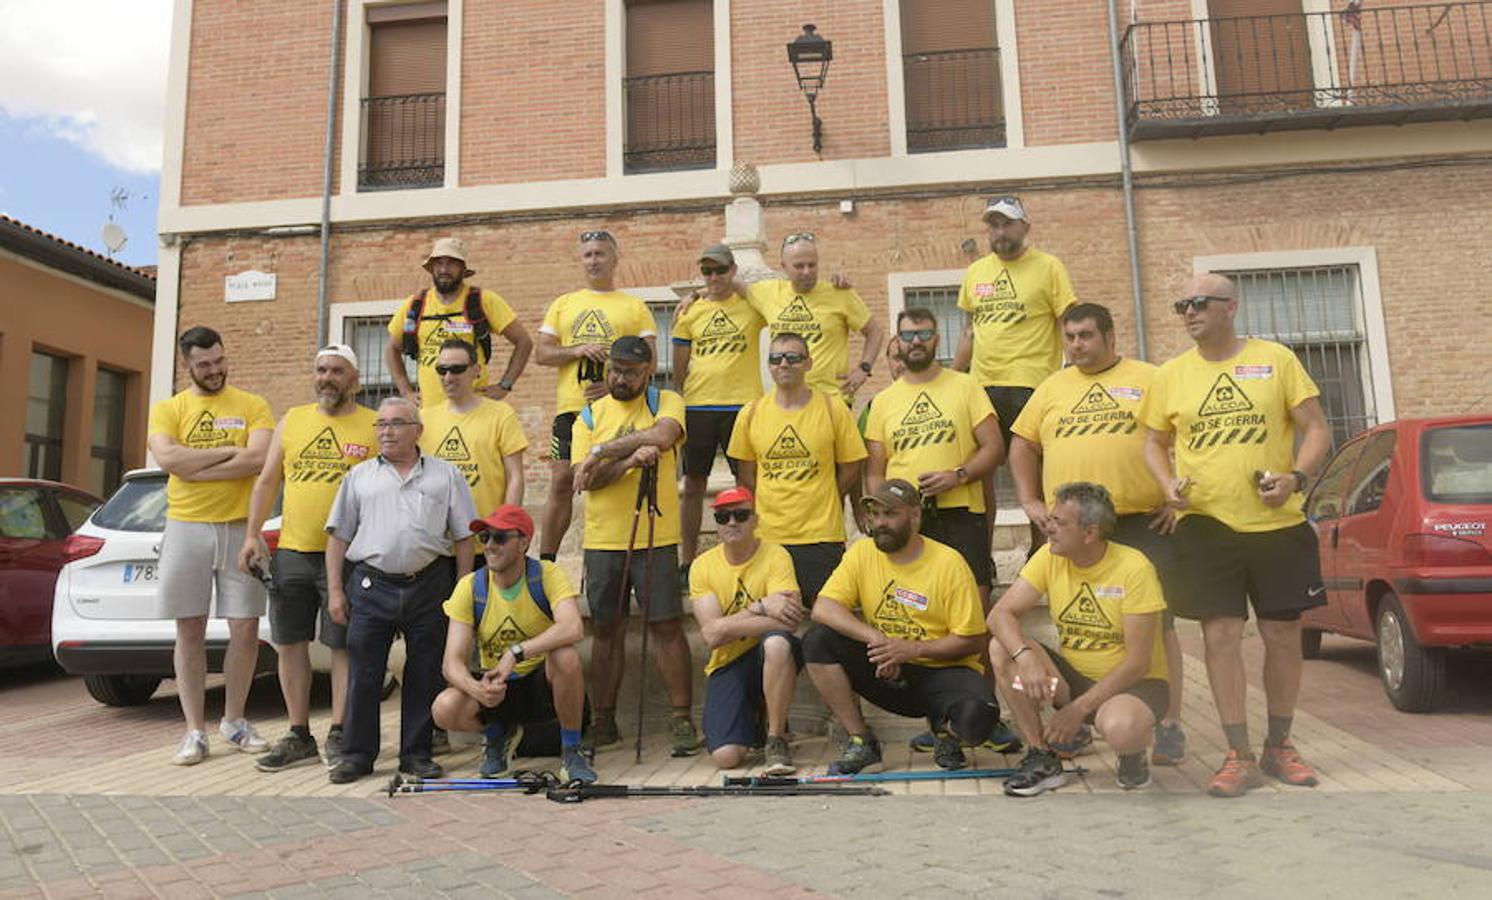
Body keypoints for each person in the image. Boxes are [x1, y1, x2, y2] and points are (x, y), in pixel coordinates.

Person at [1141, 272, 1332, 798]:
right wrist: (1166, 484)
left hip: (1277, 524)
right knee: (1219, 636)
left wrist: (1295, 476)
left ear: (1231, 307)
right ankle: (1237, 754)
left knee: (1281, 635)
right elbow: (1154, 444)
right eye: (1182, 304)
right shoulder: (1171, 375)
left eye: (1200, 303)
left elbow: (1316, 427)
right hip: (1206, 524)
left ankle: (1280, 745)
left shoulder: (1275, 360)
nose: (1188, 312)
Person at [1008, 302, 1189, 765]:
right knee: (1075, 615)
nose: (1076, 345)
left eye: (1086, 335)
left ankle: (1168, 722)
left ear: (1110, 336)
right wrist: (1029, 503)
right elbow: (1023, 445)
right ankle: (1083, 716)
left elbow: (1182, 436)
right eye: (1069, 337)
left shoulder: (1150, 378)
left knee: (1160, 625)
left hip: (1140, 520)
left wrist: (1174, 497)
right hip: (1072, 528)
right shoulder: (1052, 387)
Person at [324, 397, 478, 783]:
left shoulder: (446, 475)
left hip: (429, 584)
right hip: (370, 584)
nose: (386, 431)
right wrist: (335, 591)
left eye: (395, 423)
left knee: (425, 671)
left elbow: (463, 537)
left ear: (417, 430)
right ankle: (357, 755)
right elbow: (338, 538)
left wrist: (461, 589)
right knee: (364, 672)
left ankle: (417, 753)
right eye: (380, 424)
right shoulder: (358, 477)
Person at [238, 344, 376, 772]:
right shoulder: (292, 420)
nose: (327, 377)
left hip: (351, 556)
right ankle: (299, 734)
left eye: (337, 371)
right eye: (321, 370)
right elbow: (265, 482)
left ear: (354, 380)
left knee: (343, 647)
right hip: (294, 551)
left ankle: (341, 732)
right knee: (289, 643)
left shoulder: (374, 426)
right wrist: (252, 534)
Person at [805, 479, 1002, 774]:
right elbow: (824, 608)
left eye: (890, 514)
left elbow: (972, 640)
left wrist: (911, 650)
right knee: (817, 640)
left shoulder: (949, 563)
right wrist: (879, 642)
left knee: (977, 723)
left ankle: (945, 730)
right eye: (875, 514)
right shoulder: (862, 553)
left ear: (915, 516)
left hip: (944, 670)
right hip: (889, 669)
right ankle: (861, 740)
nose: (880, 523)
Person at [988, 483, 1169, 796]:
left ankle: (1133, 757)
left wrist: (1078, 710)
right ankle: (1042, 757)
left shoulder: (1134, 568)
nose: (1049, 527)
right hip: (1071, 681)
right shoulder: (1049, 555)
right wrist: (1026, 657)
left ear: (1089, 533)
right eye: (1051, 518)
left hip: (1133, 685)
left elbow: (1138, 664)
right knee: (1001, 648)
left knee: (1121, 729)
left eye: (1060, 522)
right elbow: (999, 616)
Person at [147, 326, 275, 765]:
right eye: (205, 365)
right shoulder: (168, 409)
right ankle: (194, 731)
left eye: (220, 361)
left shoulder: (252, 405)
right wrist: (227, 453)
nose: (215, 370)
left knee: (245, 628)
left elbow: (257, 457)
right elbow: (168, 461)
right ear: (188, 366)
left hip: (242, 527)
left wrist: (194, 462)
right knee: (190, 628)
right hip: (186, 526)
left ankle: (235, 721)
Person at [570, 337, 697, 755]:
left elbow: (664, 435)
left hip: (657, 536)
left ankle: (681, 719)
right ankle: (604, 720)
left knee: (666, 626)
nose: (619, 378)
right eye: (614, 370)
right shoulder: (588, 415)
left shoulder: (666, 400)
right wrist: (627, 461)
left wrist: (604, 450)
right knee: (606, 630)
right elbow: (585, 479)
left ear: (647, 372)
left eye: (629, 371)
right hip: (604, 539)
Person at [431, 505, 596, 785]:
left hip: (541, 684)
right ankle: (498, 737)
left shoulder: (546, 574)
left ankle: (571, 751)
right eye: (484, 538)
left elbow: (572, 627)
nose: (490, 546)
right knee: (443, 708)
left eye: (500, 537)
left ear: (524, 542)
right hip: (498, 685)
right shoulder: (470, 586)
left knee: (565, 656)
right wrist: (478, 690)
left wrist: (517, 652)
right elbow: (451, 663)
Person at [953, 196, 1077, 550]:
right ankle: (984, 554)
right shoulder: (976, 272)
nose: (1000, 231)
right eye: (993, 224)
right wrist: (950, 379)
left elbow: (1067, 324)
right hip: (982, 389)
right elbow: (967, 335)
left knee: (1035, 481)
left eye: (1007, 223)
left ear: (1025, 226)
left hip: (1032, 386)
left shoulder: (1049, 267)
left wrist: (1074, 377)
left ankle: (1041, 556)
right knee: (980, 479)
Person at [865, 308, 1004, 602]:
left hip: (961, 514)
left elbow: (994, 447)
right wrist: (885, 510)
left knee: (973, 602)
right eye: (908, 335)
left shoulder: (966, 386)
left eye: (924, 334)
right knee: (912, 600)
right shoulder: (882, 402)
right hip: (906, 518)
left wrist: (958, 476)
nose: (916, 341)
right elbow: (875, 470)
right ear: (898, 341)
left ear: (937, 339)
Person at [535, 230, 657, 562]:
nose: (593, 260)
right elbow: (542, 354)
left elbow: (651, 360)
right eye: (587, 254)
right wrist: (576, 350)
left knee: (614, 481)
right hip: (570, 411)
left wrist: (615, 386)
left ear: (615, 259)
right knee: (562, 480)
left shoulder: (633, 306)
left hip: (616, 411)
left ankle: (619, 557)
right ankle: (547, 562)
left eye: (600, 254)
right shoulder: (565, 303)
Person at [727, 332, 867, 608]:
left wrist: (826, 493)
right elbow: (746, 476)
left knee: (825, 618)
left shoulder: (832, 407)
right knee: (776, 621)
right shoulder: (751, 412)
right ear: (768, 365)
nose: (784, 364)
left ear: (808, 363)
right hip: (769, 536)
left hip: (821, 535)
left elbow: (853, 466)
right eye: (776, 358)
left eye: (793, 357)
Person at [687, 486, 803, 775]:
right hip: (727, 661)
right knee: (726, 758)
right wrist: (761, 606)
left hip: (771, 654)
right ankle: (755, 718)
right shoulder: (702, 566)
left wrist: (728, 624)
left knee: (777, 643)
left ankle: (776, 738)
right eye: (723, 517)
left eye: (741, 515)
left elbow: (789, 620)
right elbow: (712, 636)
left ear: (755, 520)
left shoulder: (776, 556)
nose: (732, 523)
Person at [671, 244, 765, 569]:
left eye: (720, 270)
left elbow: (772, 302)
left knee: (749, 484)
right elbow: (679, 367)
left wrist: (706, 290)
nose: (713, 277)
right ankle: (687, 560)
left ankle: (753, 552)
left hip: (743, 406)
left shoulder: (751, 306)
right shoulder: (690, 312)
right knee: (694, 484)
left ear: (733, 270)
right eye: (707, 271)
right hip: (699, 407)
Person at [385, 236, 532, 405]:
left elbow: (524, 341)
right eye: (439, 263)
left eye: (451, 263)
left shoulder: (483, 300)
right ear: (432, 268)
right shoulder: (415, 304)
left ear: (463, 268)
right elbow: (391, 348)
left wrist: (504, 385)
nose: (444, 269)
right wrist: (406, 392)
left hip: (475, 409)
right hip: (430, 412)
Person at [748, 232, 884, 401]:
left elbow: (875, 331)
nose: (807, 272)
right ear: (783, 266)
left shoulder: (839, 293)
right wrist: (705, 290)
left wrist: (864, 369)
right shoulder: (768, 292)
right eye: (799, 266)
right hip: (787, 400)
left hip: (832, 399)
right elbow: (730, 286)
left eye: (812, 265)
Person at [420, 338, 529, 518]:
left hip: (486, 535)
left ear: (476, 371)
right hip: (435, 538)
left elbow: (515, 477)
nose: (448, 377)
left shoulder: (501, 414)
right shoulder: (422, 419)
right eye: (442, 370)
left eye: (457, 369)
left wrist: (505, 525)